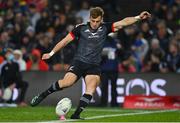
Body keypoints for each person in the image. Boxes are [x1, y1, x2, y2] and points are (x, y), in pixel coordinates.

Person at [30, 7, 151, 119]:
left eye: (97, 21)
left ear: (101, 19)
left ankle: (76, 115)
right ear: (89, 18)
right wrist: (51, 53)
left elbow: (124, 22)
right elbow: (65, 41)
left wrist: (138, 17)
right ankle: (43, 95)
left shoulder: (105, 28)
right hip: (79, 62)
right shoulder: (80, 28)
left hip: (94, 65)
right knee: (66, 83)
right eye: (93, 20)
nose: (95, 23)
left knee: (91, 89)